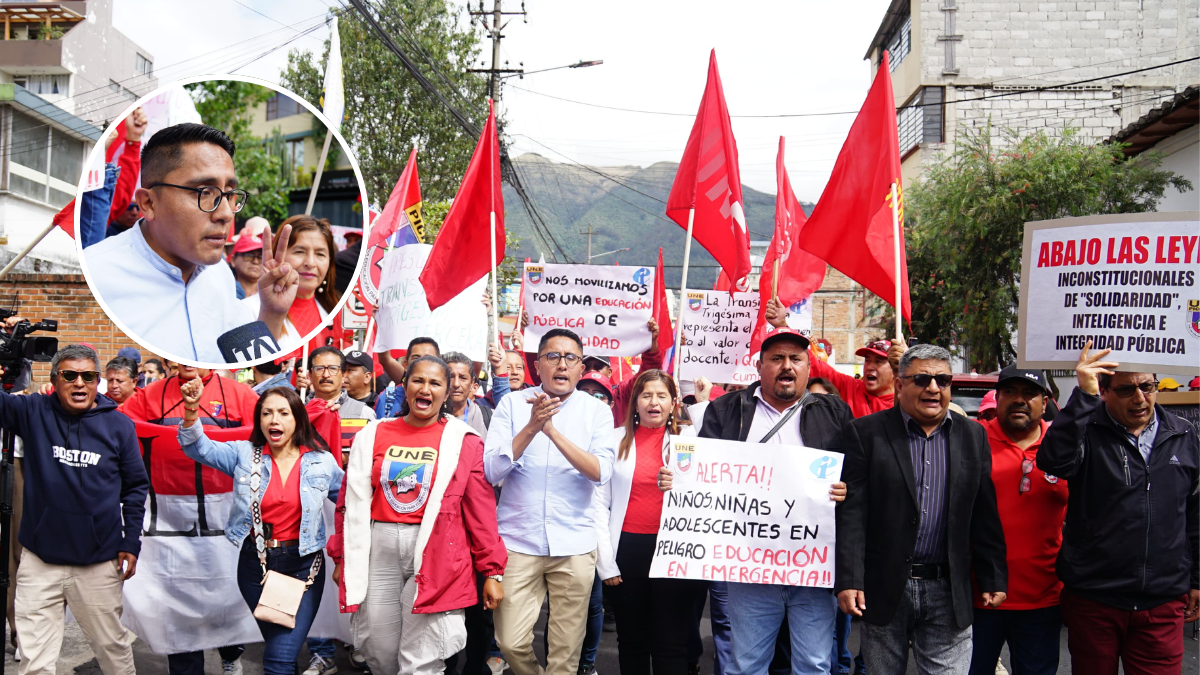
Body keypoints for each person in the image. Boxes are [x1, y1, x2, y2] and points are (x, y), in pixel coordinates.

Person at [680, 327, 852, 675]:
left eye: (796, 359)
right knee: (746, 666)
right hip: (750, 570)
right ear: (759, 366)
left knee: (815, 665)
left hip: (812, 569)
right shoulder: (727, 409)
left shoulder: (834, 412)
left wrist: (847, 489)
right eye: (777, 358)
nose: (787, 366)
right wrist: (677, 480)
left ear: (808, 367)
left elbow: (859, 476)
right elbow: (700, 473)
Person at [836, 343, 1007, 675]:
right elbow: (853, 515)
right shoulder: (865, 433)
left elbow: (984, 513)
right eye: (922, 380)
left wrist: (993, 575)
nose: (933, 388)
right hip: (884, 588)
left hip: (947, 587)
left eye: (942, 380)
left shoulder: (973, 436)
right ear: (900, 385)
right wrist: (849, 579)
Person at [333, 355, 506, 675]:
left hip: (437, 555)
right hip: (377, 552)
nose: (426, 388)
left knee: (423, 660)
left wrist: (492, 572)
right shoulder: (372, 434)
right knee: (379, 653)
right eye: (418, 380)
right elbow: (350, 501)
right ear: (404, 386)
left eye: (435, 383)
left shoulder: (464, 441)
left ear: (446, 391)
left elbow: (481, 511)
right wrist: (343, 556)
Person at [1037, 343, 1199, 674]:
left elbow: (1194, 513)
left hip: (1162, 602)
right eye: (1126, 389)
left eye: (1147, 386)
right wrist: (1082, 397)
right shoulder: (1086, 430)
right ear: (1105, 391)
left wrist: (1196, 577)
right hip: (1095, 600)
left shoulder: (1184, 434)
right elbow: (1052, 460)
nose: (1139, 398)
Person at [84, 122, 300, 363]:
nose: (226, 214)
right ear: (148, 203)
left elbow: (238, 368)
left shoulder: (220, 275)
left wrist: (271, 313)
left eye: (229, 194)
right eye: (204, 192)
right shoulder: (95, 277)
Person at [0, 344, 149, 675]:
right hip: (40, 561)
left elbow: (136, 488)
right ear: (55, 380)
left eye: (88, 376)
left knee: (113, 653)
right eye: (70, 375)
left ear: (97, 382)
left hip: (98, 562)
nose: (79, 383)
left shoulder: (119, 426)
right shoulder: (33, 411)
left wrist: (131, 542)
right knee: (34, 661)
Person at [178, 383, 343, 675]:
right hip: (256, 567)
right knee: (282, 652)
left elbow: (351, 502)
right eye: (266, 413)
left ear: (298, 419)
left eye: (283, 413)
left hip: (304, 569)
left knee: (278, 660)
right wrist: (192, 408)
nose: (274, 420)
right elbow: (196, 447)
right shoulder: (244, 454)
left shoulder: (322, 461)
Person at [484, 328, 616, 675]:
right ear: (537, 365)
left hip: (575, 545)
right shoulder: (512, 405)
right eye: (552, 357)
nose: (562, 364)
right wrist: (531, 427)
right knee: (510, 642)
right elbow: (492, 470)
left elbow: (601, 472)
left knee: (565, 651)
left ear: (581, 367)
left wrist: (552, 432)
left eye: (570, 358)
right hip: (517, 542)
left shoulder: (597, 412)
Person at [595, 369, 705, 675]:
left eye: (661, 396)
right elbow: (598, 505)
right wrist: (607, 563)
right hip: (627, 552)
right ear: (635, 402)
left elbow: (717, 471)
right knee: (631, 641)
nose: (653, 402)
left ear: (673, 402)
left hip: (674, 552)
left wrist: (701, 402)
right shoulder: (614, 440)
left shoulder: (690, 440)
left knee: (671, 643)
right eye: (646, 395)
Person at [969, 365, 1066, 675]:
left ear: (1046, 400)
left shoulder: (1064, 445)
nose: (1019, 400)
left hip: (1043, 599)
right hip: (977, 597)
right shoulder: (972, 439)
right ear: (997, 398)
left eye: (1030, 393)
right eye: (1010, 392)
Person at [767, 298, 900, 419]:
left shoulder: (906, 398)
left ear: (894, 368)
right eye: (867, 360)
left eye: (879, 361)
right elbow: (813, 364)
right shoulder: (849, 386)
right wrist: (782, 326)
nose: (870, 366)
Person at [240, 215, 343, 356]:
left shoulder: (337, 312)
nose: (310, 263)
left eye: (320, 254)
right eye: (299, 252)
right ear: (278, 255)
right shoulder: (247, 310)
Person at [122, 362, 259, 428]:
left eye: (196, 353)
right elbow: (118, 425)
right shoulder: (151, 392)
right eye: (183, 353)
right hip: (164, 482)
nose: (188, 359)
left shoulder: (241, 394)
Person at [375, 338, 441, 418]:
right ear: (405, 364)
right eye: (416, 358)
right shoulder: (388, 398)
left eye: (428, 358)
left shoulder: (449, 395)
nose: (422, 363)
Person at [443, 351, 495, 436]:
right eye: (451, 377)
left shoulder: (490, 417)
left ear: (472, 384)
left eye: (463, 378)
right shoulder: (429, 417)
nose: (456, 384)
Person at [229, 234, 264, 300]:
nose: (255, 262)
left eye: (261, 258)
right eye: (249, 256)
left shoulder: (270, 295)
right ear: (233, 260)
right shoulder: (223, 289)